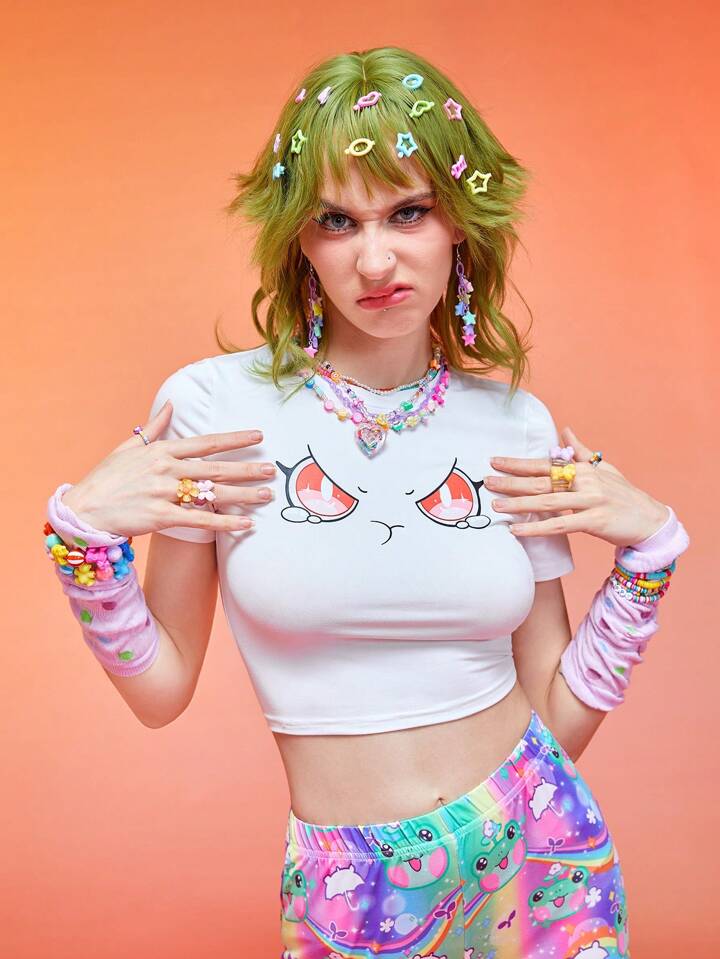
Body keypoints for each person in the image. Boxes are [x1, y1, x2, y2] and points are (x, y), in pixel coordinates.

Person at [45, 46, 689, 958]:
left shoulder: (514, 424)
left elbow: (557, 712)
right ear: (300, 239)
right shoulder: (215, 410)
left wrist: (647, 564)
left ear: (460, 220)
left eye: (409, 211)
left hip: (544, 851)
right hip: (352, 889)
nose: (376, 258)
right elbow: (161, 689)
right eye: (337, 220)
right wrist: (83, 546)